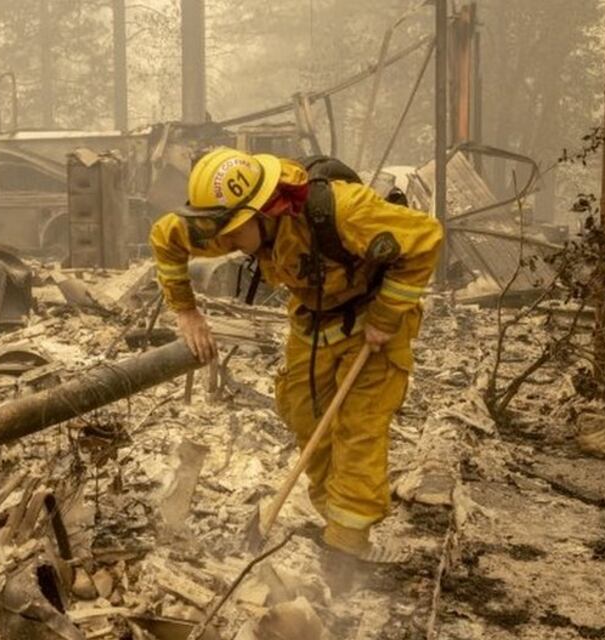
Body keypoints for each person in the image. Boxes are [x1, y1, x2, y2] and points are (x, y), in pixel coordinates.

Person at [149, 147, 442, 562]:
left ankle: (347, 545)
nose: (225, 242)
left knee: (359, 427)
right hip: (313, 319)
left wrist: (387, 314)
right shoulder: (226, 220)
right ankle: (331, 512)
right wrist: (186, 311)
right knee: (305, 415)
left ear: (268, 210)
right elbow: (166, 237)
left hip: (373, 320)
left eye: (233, 230)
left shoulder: (346, 211)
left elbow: (426, 238)